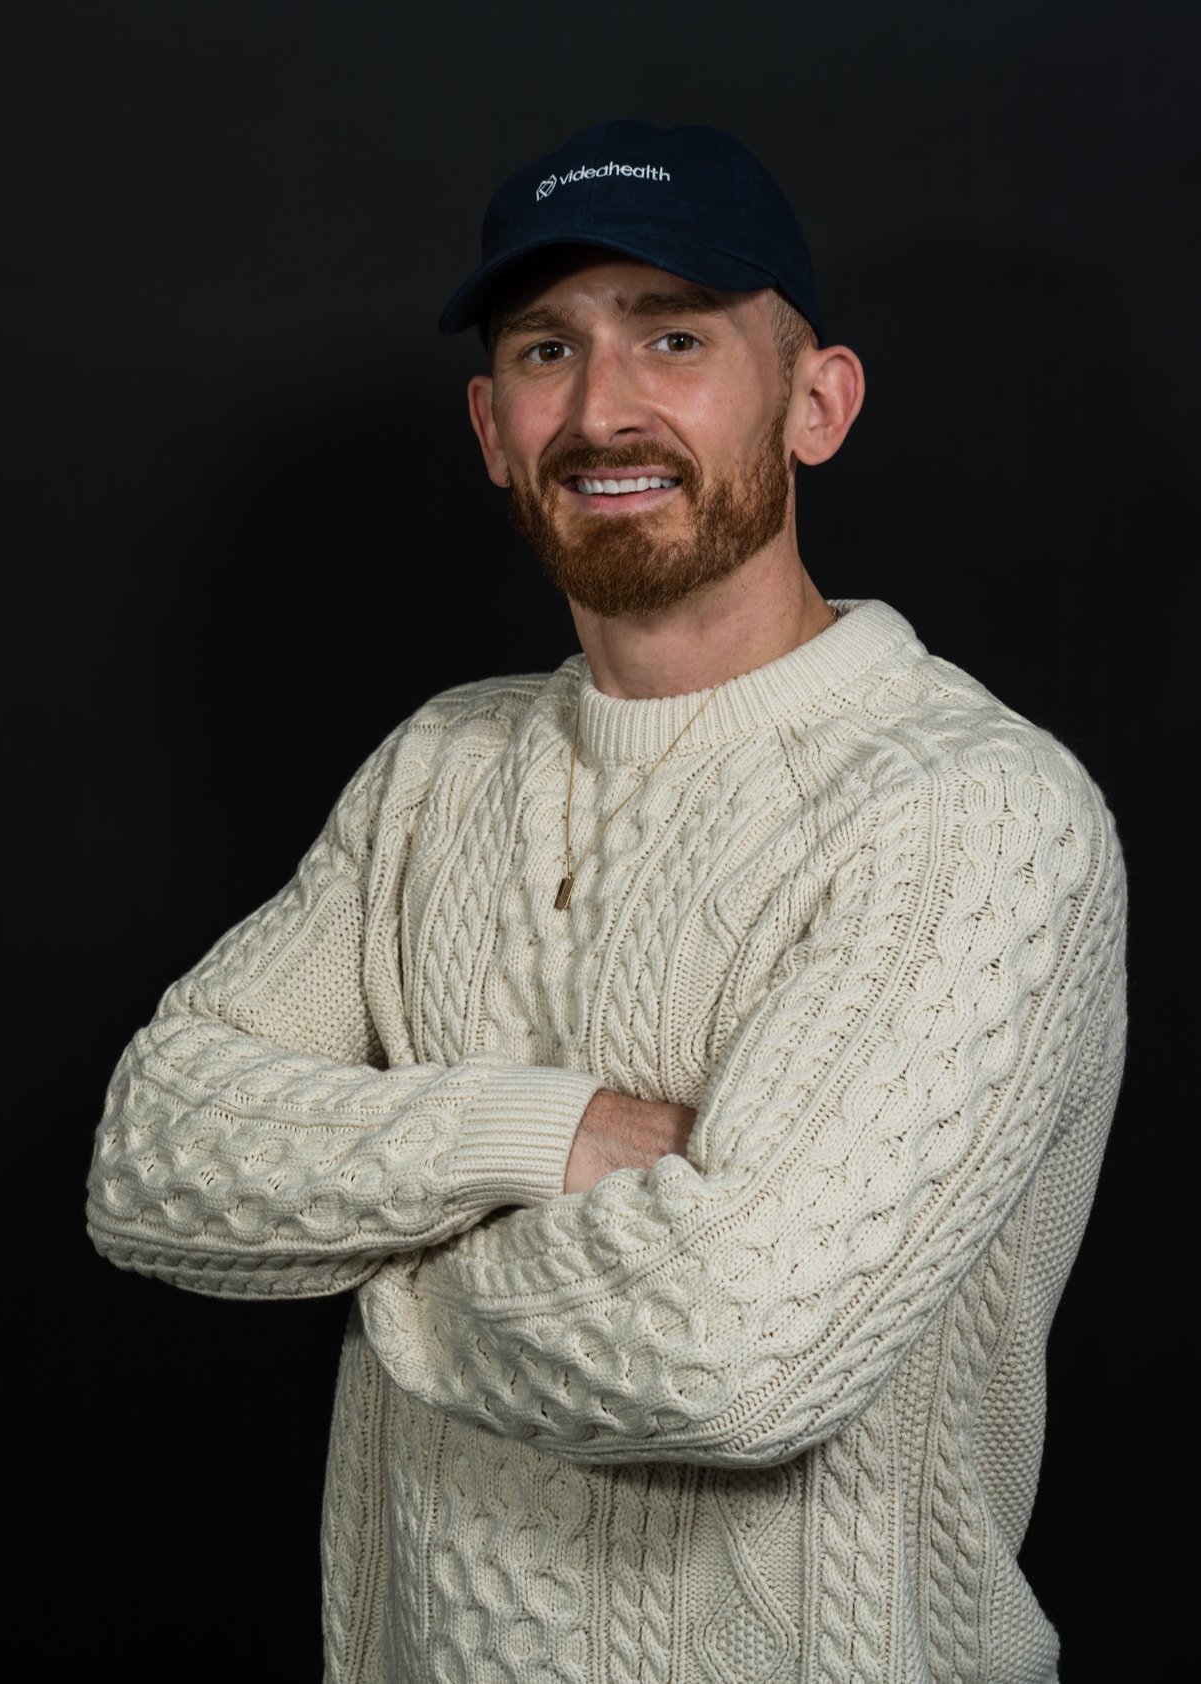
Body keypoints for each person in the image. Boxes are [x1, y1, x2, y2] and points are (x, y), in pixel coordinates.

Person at [87, 120, 1127, 1684]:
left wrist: (385, 1275)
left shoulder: (968, 809)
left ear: (817, 401)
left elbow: (729, 1352)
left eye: (676, 336)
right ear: (490, 428)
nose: (604, 408)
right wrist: (545, 1137)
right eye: (544, 349)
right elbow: (150, 1158)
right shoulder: (439, 764)